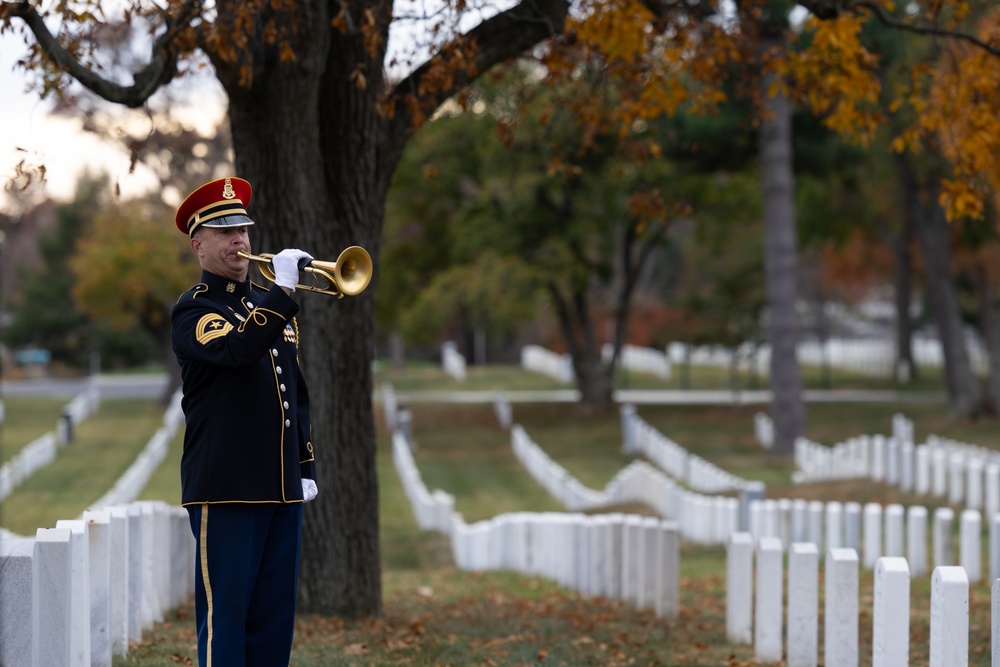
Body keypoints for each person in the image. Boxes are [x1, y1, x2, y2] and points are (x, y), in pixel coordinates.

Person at [170, 176, 318, 667]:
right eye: (224, 231)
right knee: (226, 622)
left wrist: (305, 468)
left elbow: (295, 394)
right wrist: (281, 293)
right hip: (227, 488)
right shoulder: (195, 309)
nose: (240, 240)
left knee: (274, 624)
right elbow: (236, 351)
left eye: (243, 230)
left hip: (280, 489)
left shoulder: (267, 306)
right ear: (199, 245)